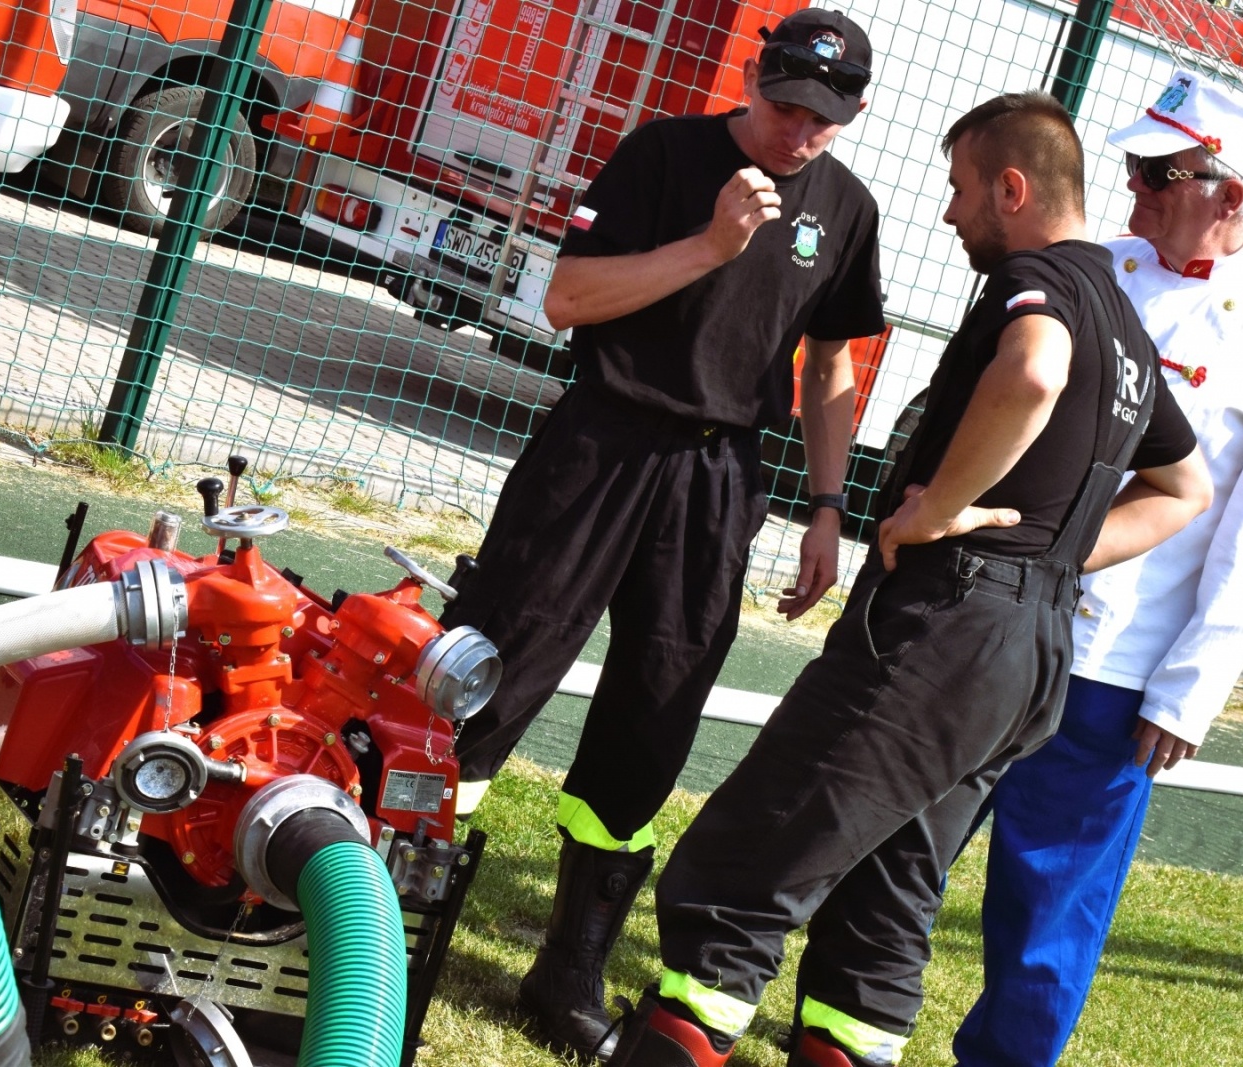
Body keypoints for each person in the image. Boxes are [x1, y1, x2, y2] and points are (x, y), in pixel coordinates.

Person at [604, 90, 1214, 1067]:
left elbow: (1033, 372)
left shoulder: (1039, 285)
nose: (949, 212)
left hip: (944, 630)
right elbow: (1183, 486)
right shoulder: (1126, 325)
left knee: (738, 872)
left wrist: (939, 508)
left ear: (1012, 189)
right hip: (1029, 651)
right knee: (884, 902)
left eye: (961, 188)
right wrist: (1053, 553)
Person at [437, 8, 888, 1059]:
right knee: (493, 667)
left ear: (854, 113)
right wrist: (711, 245)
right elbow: (567, 297)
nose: (798, 134)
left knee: (656, 713)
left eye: (823, 119)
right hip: (602, 442)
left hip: (720, 478)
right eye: (786, 107)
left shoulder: (846, 208)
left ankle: (566, 971)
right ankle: (391, 911)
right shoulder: (663, 154)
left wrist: (828, 508)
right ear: (754, 78)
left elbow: (830, 363)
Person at [951, 71, 1243, 1067]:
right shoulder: (1096, 267)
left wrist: (1190, 688)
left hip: (1115, 667)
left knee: (1049, 902)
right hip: (996, 614)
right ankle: (844, 1026)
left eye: (1160, 174)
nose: (1134, 188)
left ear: (1232, 193)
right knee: (904, 839)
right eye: (1132, 166)